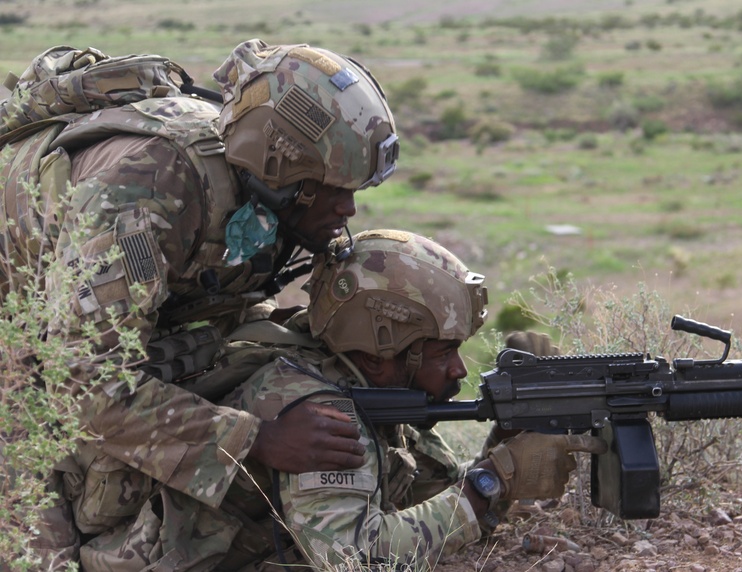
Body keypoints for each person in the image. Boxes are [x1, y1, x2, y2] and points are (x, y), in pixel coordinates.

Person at [0, 39, 398, 565]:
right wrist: (253, 440)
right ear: (280, 169)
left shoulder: (256, 184)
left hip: (72, 325)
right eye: (331, 189)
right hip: (24, 341)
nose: (347, 208)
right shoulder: (143, 194)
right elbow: (86, 383)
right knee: (41, 558)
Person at [206, 229, 609, 570]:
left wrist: (507, 439)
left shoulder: (371, 388)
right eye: (441, 354)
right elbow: (357, 559)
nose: (459, 370)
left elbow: (439, 509)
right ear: (376, 354)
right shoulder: (318, 409)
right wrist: (491, 481)